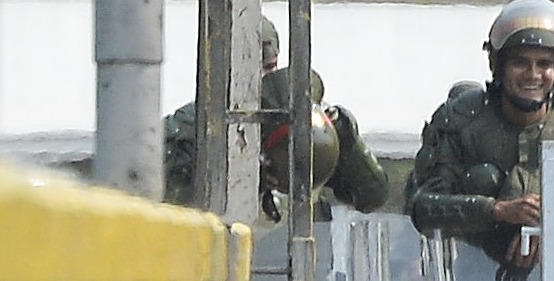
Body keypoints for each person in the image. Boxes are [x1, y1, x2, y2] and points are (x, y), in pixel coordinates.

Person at [404, 0, 554, 281]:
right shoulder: (461, 121)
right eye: (520, 63)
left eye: (544, 64)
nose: (533, 75)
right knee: (482, 177)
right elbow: (424, 208)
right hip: (476, 278)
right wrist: (496, 210)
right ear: (498, 65)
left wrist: (551, 225)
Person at [162, 13, 386, 219]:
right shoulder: (196, 125)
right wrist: (244, 175)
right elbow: (159, 194)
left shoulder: (308, 125)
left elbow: (371, 195)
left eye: (270, 68)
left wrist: (347, 139)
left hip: (297, 254)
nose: (263, 80)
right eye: (251, 70)